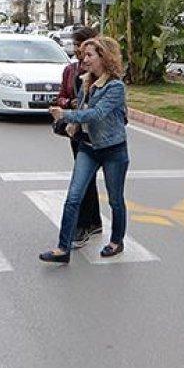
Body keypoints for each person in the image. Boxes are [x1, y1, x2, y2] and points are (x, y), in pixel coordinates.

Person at [42, 37, 130, 264]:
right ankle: (63, 248)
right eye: (83, 55)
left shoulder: (115, 87)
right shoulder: (85, 82)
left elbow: (97, 113)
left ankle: (116, 241)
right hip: (88, 148)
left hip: (113, 150)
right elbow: (83, 108)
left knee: (115, 200)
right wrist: (71, 123)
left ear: (104, 57)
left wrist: (65, 114)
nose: (84, 60)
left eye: (90, 55)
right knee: (73, 198)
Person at [54, 26, 103, 248]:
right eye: (75, 45)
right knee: (85, 177)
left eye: (81, 46)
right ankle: (92, 221)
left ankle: (85, 224)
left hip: (97, 132)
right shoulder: (70, 70)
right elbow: (61, 96)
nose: (76, 50)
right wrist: (68, 104)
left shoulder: (101, 74)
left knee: (84, 179)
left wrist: (81, 106)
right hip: (77, 131)